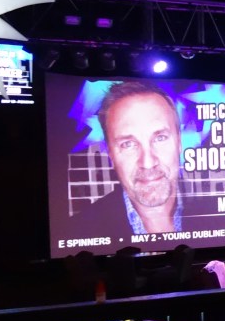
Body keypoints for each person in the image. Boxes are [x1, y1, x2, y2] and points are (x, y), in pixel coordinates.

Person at [74, 80, 185, 237]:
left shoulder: (213, 211)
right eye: (128, 144)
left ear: (179, 142)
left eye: (160, 138)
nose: (148, 163)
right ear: (110, 153)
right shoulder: (78, 230)